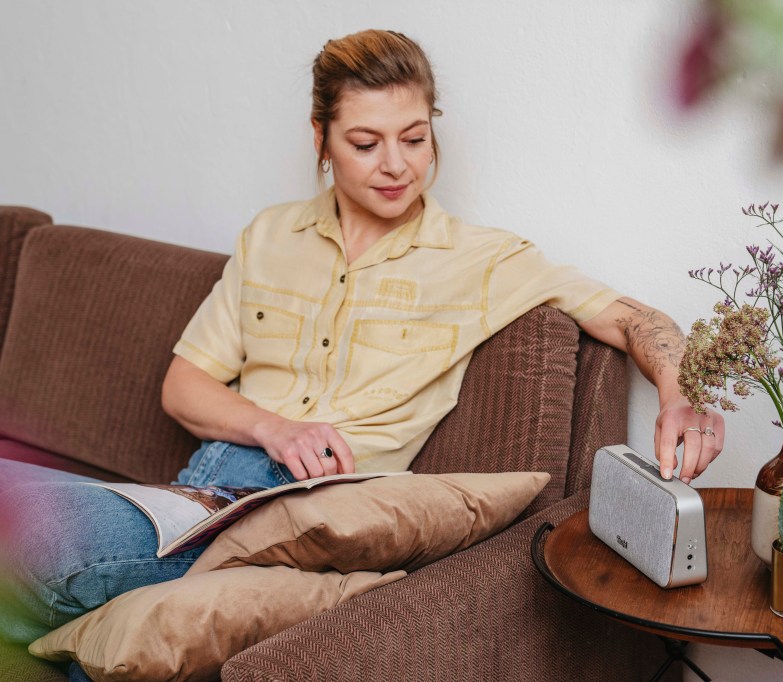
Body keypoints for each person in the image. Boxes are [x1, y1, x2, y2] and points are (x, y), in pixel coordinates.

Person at [0, 28, 724, 653]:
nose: (396, 166)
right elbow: (182, 386)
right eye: (365, 142)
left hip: (302, 520)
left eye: (414, 139)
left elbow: (632, 319)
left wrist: (680, 391)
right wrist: (274, 426)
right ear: (320, 139)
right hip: (192, 498)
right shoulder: (270, 236)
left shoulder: (483, 262)